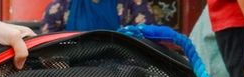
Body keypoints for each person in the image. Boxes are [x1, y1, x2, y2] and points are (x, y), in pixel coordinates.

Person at [39, 0, 176, 33]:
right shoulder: (60, 7)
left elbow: (148, 43)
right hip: (71, 76)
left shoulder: (133, 4)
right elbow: (47, 52)